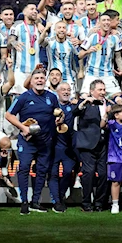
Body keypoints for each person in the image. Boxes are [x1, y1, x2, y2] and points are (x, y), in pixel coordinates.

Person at [5, 68, 63, 215]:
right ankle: (24, 202)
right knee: (24, 168)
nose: (39, 80)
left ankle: (35, 202)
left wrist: (59, 119)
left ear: (46, 80)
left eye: (42, 78)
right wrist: (23, 128)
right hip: (27, 141)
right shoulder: (23, 97)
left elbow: (58, 114)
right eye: (36, 78)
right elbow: (8, 115)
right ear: (31, 81)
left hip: (45, 142)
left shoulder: (52, 97)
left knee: (42, 171)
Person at [73, 80, 111, 212]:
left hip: (103, 143)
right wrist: (83, 102)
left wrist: (108, 114)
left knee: (103, 173)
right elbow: (74, 112)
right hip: (87, 144)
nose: (103, 92)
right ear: (92, 91)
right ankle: (86, 203)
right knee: (88, 173)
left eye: (104, 89)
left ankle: (99, 203)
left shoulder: (109, 104)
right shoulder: (85, 104)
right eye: (100, 90)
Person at [78, 11, 122, 97]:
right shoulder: (92, 36)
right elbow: (80, 55)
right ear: (99, 22)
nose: (106, 22)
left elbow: (118, 57)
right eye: (104, 20)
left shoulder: (115, 38)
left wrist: (121, 70)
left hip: (108, 74)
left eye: (108, 20)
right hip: (92, 73)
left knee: (118, 98)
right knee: (84, 97)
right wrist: (88, 51)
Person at [48, 82, 78, 213]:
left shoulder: (73, 107)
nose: (66, 92)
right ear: (57, 92)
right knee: (53, 174)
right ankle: (57, 201)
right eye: (63, 90)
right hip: (52, 147)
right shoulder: (51, 107)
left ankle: (60, 196)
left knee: (67, 172)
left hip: (68, 147)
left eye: (68, 90)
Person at [8, 3, 43, 95]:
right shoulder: (17, 26)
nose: (35, 11)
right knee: (18, 97)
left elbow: (46, 44)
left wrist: (44, 29)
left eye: (36, 9)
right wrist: (14, 42)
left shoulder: (39, 28)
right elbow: (9, 41)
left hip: (36, 70)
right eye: (31, 9)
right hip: (20, 70)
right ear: (24, 12)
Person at [39, 20, 80, 94]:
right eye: (59, 28)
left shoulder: (71, 42)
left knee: (70, 100)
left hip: (68, 78)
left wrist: (85, 48)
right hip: (52, 78)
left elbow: (79, 55)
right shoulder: (50, 41)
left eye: (64, 28)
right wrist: (45, 29)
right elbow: (40, 42)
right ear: (54, 30)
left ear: (66, 30)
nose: (61, 30)